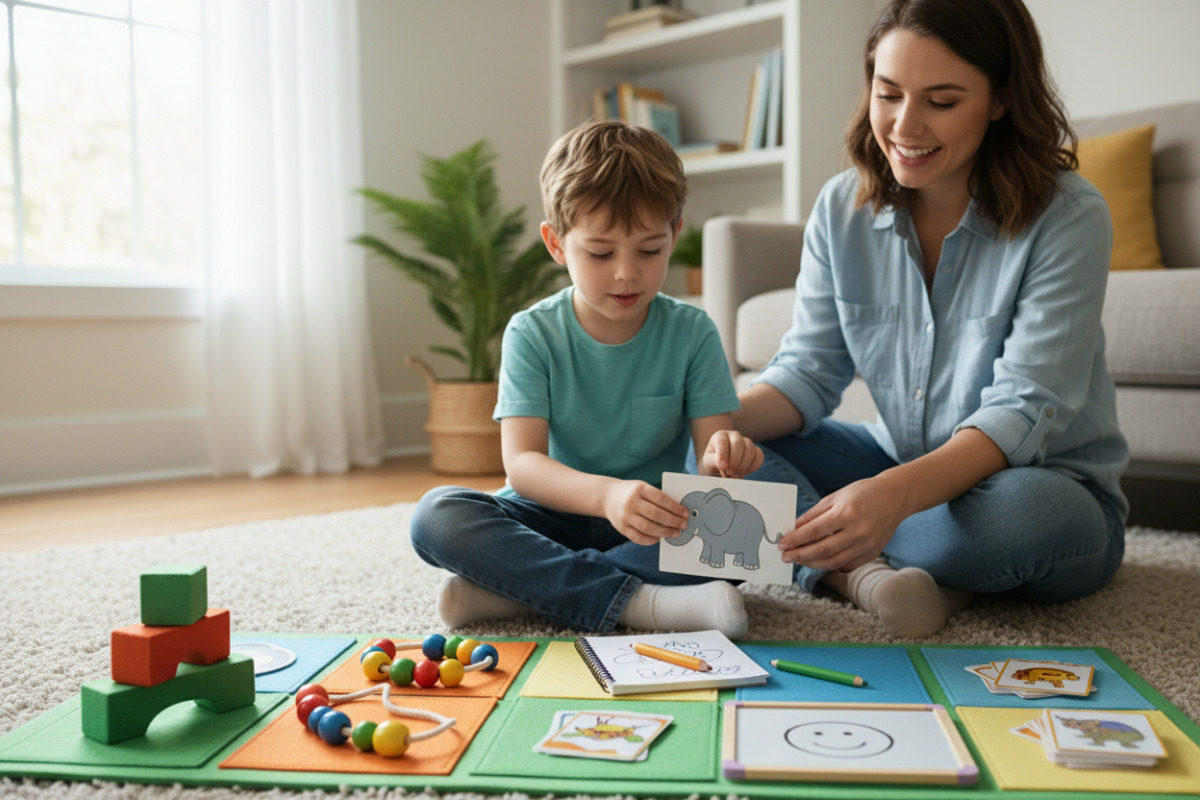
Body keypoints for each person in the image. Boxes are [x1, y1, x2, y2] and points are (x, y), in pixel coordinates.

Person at [734, 0, 1129, 637]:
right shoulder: (842, 208)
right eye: (888, 94)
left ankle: (852, 553)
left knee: (1021, 519)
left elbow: (1022, 409)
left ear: (1001, 99)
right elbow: (805, 373)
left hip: (1042, 488)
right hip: (900, 465)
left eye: (941, 102)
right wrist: (697, 421)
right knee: (738, 450)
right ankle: (866, 576)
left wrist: (889, 499)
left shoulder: (1069, 215)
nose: (904, 125)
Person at [410, 120, 763, 638]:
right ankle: (643, 604)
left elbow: (711, 468)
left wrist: (725, 455)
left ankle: (515, 592)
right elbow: (523, 464)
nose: (627, 273)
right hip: (547, 515)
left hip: (650, 522)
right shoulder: (532, 332)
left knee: (738, 542)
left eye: (649, 250)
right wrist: (605, 496)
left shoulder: (693, 331)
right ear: (556, 244)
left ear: (675, 235)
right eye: (601, 253)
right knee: (435, 516)